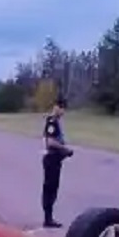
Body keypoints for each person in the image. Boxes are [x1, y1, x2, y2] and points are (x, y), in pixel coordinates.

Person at [41, 95, 73, 228]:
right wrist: (64, 149)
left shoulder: (54, 122)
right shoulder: (52, 122)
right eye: (62, 108)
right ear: (57, 107)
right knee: (50, 189)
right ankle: (48, 219)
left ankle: (49, 217)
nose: (63, 112)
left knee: (53, 188)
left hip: (56, 159)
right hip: (52, 159)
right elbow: (50, 142)